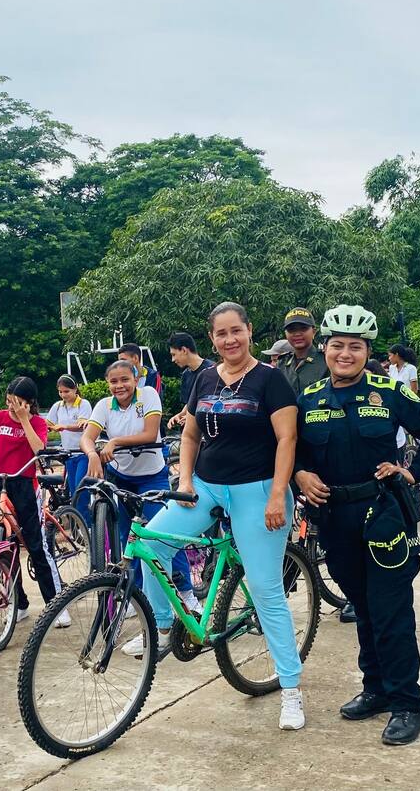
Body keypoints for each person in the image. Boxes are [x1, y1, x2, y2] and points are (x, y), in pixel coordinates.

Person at [139, 301, 305, 730]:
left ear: (249, 331)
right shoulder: (206, 378)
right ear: (211, 338)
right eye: (221, 333)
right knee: (149, 543)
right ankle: (161, 626)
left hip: (258, 490)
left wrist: (276, 495)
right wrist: (187, 480)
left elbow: (287, 440)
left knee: (266, 589)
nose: (230, 340)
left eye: (237, 331)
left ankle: (290, 689)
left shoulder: (271, 380)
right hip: (207, 486)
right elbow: (191, 434)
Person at [294, 305, 420, 746]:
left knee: (391, 610)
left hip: (383, 514)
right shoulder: (310, 398)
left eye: (354, 347)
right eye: (337, 345)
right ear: (325, 348)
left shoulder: (390, 391)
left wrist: (414, 471)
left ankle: (407, 705)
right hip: (334, 518)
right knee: (361, 605)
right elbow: (291, 448)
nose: (345, 353)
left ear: (367, 351)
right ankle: (376, 689)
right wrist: (300, 474)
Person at [81, 360, 198, 630]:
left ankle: (187, 594)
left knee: (164, 537)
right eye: (113, 381)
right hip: (121, 478)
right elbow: (88, 437)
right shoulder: (103, 405)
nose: (119, 386)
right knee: (128, 539)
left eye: (124, 380)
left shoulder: (148, 396)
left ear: (135, 380)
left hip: (151, 476)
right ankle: (141, 596)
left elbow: (149, 433)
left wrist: (114, 442)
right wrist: (92, 454)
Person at [0, 377, 67, 625]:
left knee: (35, 546)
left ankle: (56, 604)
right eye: (9, 401)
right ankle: (18, 602)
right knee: (2, 545)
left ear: (29, 402)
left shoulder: (37, 422)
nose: (12, 407)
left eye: (18, 403)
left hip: (24, 484)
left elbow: (40, 450)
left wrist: (24, 420)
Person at [46, 374, 93, 496]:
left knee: (80, 489)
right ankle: (76, 514)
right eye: (60, 392)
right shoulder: (58, 406)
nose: (63, 395)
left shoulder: (84, 404)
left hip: (83, 453)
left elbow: (82, 425)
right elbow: (47, 424)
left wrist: (64, 426)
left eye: (66, 391)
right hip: (68, 454)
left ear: (75, 389)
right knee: (73, 490)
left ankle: (83, 514)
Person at [166, 332, 214, 428]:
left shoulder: (212, 370)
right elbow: (190, 403)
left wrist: (192, 417)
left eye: (174, 354)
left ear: (184, 350)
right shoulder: (186, 375)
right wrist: (180, 415)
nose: (173, 359)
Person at [278, 307, 327, 395]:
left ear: (314, 332)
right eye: (291, 330)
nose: (297, 334)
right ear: (285, 333)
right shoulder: (281, 364)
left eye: (303, 328)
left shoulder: (326, 361)